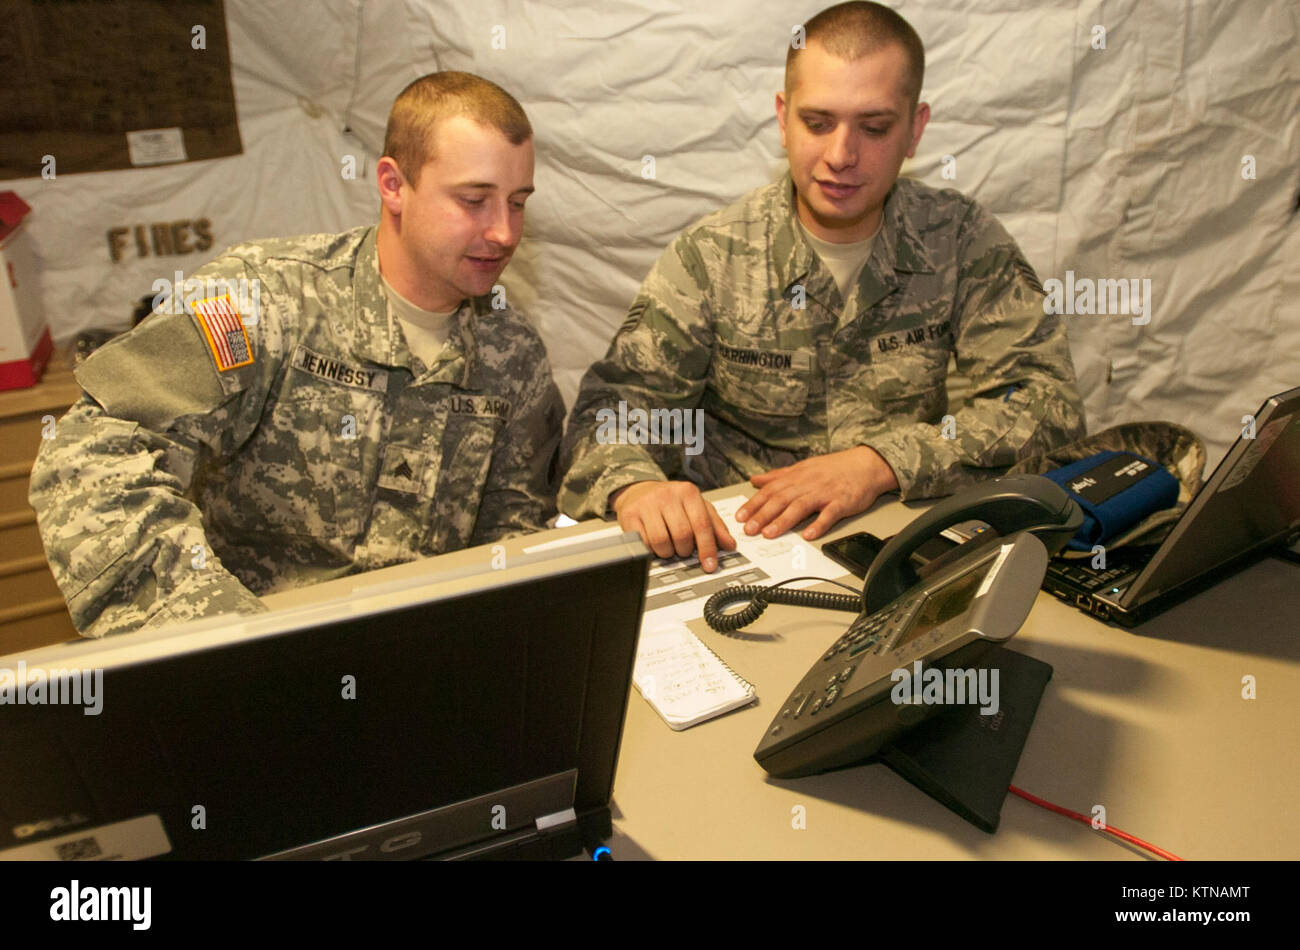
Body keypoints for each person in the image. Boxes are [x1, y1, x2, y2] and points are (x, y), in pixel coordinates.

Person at [30, 72, 564, 638]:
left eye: (518, 203)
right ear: (393, 184)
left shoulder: (512, 354)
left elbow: (515, 535)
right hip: (259, 663)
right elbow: (90, 457)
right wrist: (214, 634)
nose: (505, 233)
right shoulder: (259, 304)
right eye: (474, 200)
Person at [558, 1, 1085, 571]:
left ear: (916, 129)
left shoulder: (960, 241)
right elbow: (609, 414)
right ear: (783, 120)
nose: (841, 156)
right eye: (817, 122)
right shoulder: (712, 257)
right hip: (742, 551)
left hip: (905, 542)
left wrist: (881, 462)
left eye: (875, 127)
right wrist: (637, 488)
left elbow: (1049, 407)